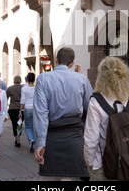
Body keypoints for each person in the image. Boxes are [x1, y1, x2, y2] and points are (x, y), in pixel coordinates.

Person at [34, 47, 93, 179]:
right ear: (71, 64)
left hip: (52, 137)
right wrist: (81, 77)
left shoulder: (43, 79)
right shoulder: (82, 80)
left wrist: (41, 143)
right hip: (75, 137)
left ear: (55, 59)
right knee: (74, 177)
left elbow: (41, 113)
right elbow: (90, 106)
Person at [83, 56, 129, 181]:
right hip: (128, 165)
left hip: (103, 164)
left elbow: (91, 139)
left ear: (102, 78)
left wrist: (90, 162)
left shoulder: (96, 101)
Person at [20, 72, 36, 152]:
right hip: (35, 109)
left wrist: (20, 111)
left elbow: (22, 100)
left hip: (27, 109)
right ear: (34, 79)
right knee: (34, 126)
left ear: (27, 79)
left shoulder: (24, 88)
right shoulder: (36, 88)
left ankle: (31, 140)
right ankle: (35, 143)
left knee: (28, 126)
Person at [6, 75, 23, 147]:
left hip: (12, 108)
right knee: (19, 124)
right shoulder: (23, 88)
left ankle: (17, 139)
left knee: (14, 124)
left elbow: (6, 98)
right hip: (21, 108)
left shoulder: (10, 88)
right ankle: (18, 138)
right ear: (20, 80)